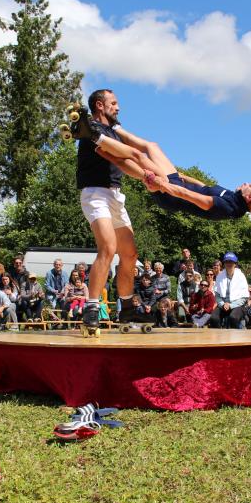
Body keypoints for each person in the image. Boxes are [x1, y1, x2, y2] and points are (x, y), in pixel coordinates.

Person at [73, 89, 151, 329]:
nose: (118, 108)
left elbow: (125, 163)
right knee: (107, 247)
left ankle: (126, 309)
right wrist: (149, 173)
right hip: (95, 193)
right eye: (114, 103)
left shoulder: (113, 131)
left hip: (115, 195)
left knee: (130, 254)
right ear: (99, 105)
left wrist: (147, 178)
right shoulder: (90, 130)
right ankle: (92, 307)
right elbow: (128, 155)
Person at [93, 130, 251, 221]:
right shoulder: (234, 197)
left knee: (139, 158)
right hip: (177, 183)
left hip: (171, 194)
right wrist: (185, 177)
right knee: (152, 146)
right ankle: (114, 128)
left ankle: (96, 138)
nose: (247, 182)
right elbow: (204, 187)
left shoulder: (228, 207)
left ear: (249, 197)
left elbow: (189, 196)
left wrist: (161, 183)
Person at [209, 252, 249, 329]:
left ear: (235, 264)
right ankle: (219, 337)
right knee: (213, 318)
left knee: (233, 317)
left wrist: (230, 305)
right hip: (223, 304)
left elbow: (244, 297)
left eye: (231, 262)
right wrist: (223, 304)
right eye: (227, 262)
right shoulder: (220, 276)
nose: (229, 264)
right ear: (224, 264)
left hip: (238, 305)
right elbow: (217, 295)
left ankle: (236, 338)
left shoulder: (241, 276)